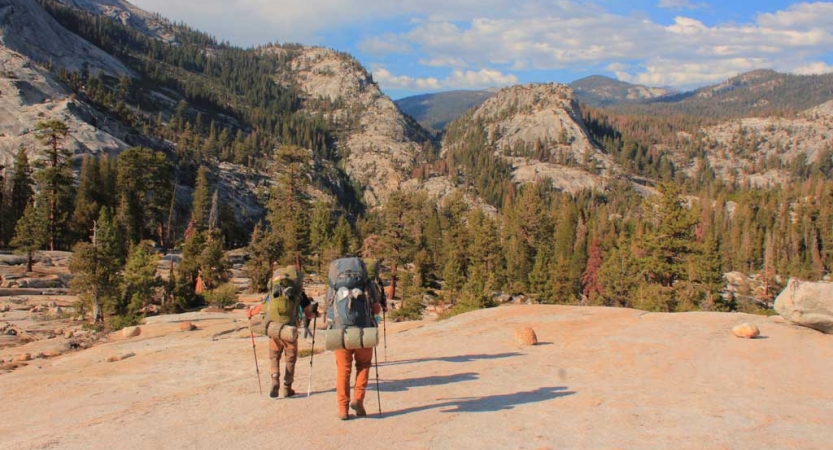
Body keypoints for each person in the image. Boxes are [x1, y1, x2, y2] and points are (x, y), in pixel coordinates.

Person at [247, 266, 318, 398]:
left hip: (274, 328)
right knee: (290, 358)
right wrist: (315, 315)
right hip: (290, 330)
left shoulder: (274, 291)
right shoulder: (298, 293)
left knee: (274, 356)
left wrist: (250, 313)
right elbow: (308, 313)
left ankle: (275, 379)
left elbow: (261, 307)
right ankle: (287, 387)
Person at [327, 258, 383, 420]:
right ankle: (358, 399)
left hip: (341, 333)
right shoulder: (366, 284)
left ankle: (343, 409)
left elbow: (329, 309)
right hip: (363, 331)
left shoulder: (334, 286)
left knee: (343, 371)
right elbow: (376, 308)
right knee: (363, 365)